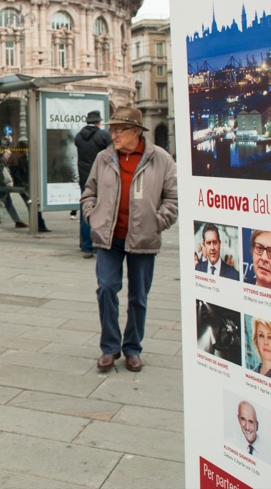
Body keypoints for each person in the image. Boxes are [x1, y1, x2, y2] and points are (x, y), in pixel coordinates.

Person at [82, 106, 177, 373]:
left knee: (139, 297)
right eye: (111, 129)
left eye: (118, 130)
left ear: (135, 132)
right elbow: (89, 192)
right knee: (107, 288)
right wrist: (93, 216)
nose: (113, 135)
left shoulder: (160, 158)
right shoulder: (104, 158)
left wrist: (157, 221)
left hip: (143, 238)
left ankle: (132, 348)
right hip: (109, 238)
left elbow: (173, 198)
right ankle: (110, 347)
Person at [74, 110, 112, 258]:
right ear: (98, 122)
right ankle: (98, 244)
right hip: (101, 178)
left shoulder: (78, 136)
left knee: (86, 211)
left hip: (84, 179)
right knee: (102, 211)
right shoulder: (103, 135)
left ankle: (86, 246)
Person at [9, 139, 50, 232]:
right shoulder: (22, 158)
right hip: (25, 185)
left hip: (20, 185)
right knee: (34, 205)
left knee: (31, 205)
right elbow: (26, 171)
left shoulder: (14, 157)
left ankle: (39, 224)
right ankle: (40, 225)